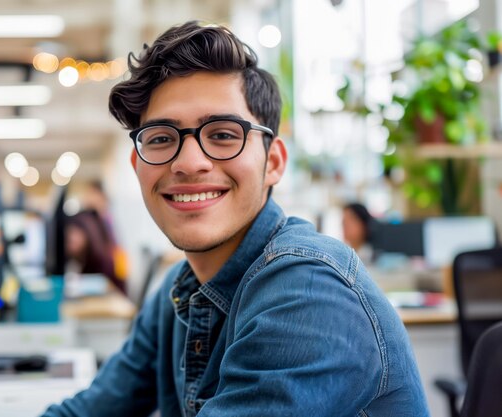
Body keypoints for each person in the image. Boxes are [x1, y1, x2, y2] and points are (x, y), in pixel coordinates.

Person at [41, 21, 429, 417]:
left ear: (274, 162)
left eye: (224, 135)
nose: (189, 163)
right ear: (137, 165)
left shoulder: (309, 293)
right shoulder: (177, 294)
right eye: (160, 138)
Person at [65, 209, 126, 294]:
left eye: (75, 234)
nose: (71, 238)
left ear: (88, 234)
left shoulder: (106, 261)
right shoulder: (84, 260)